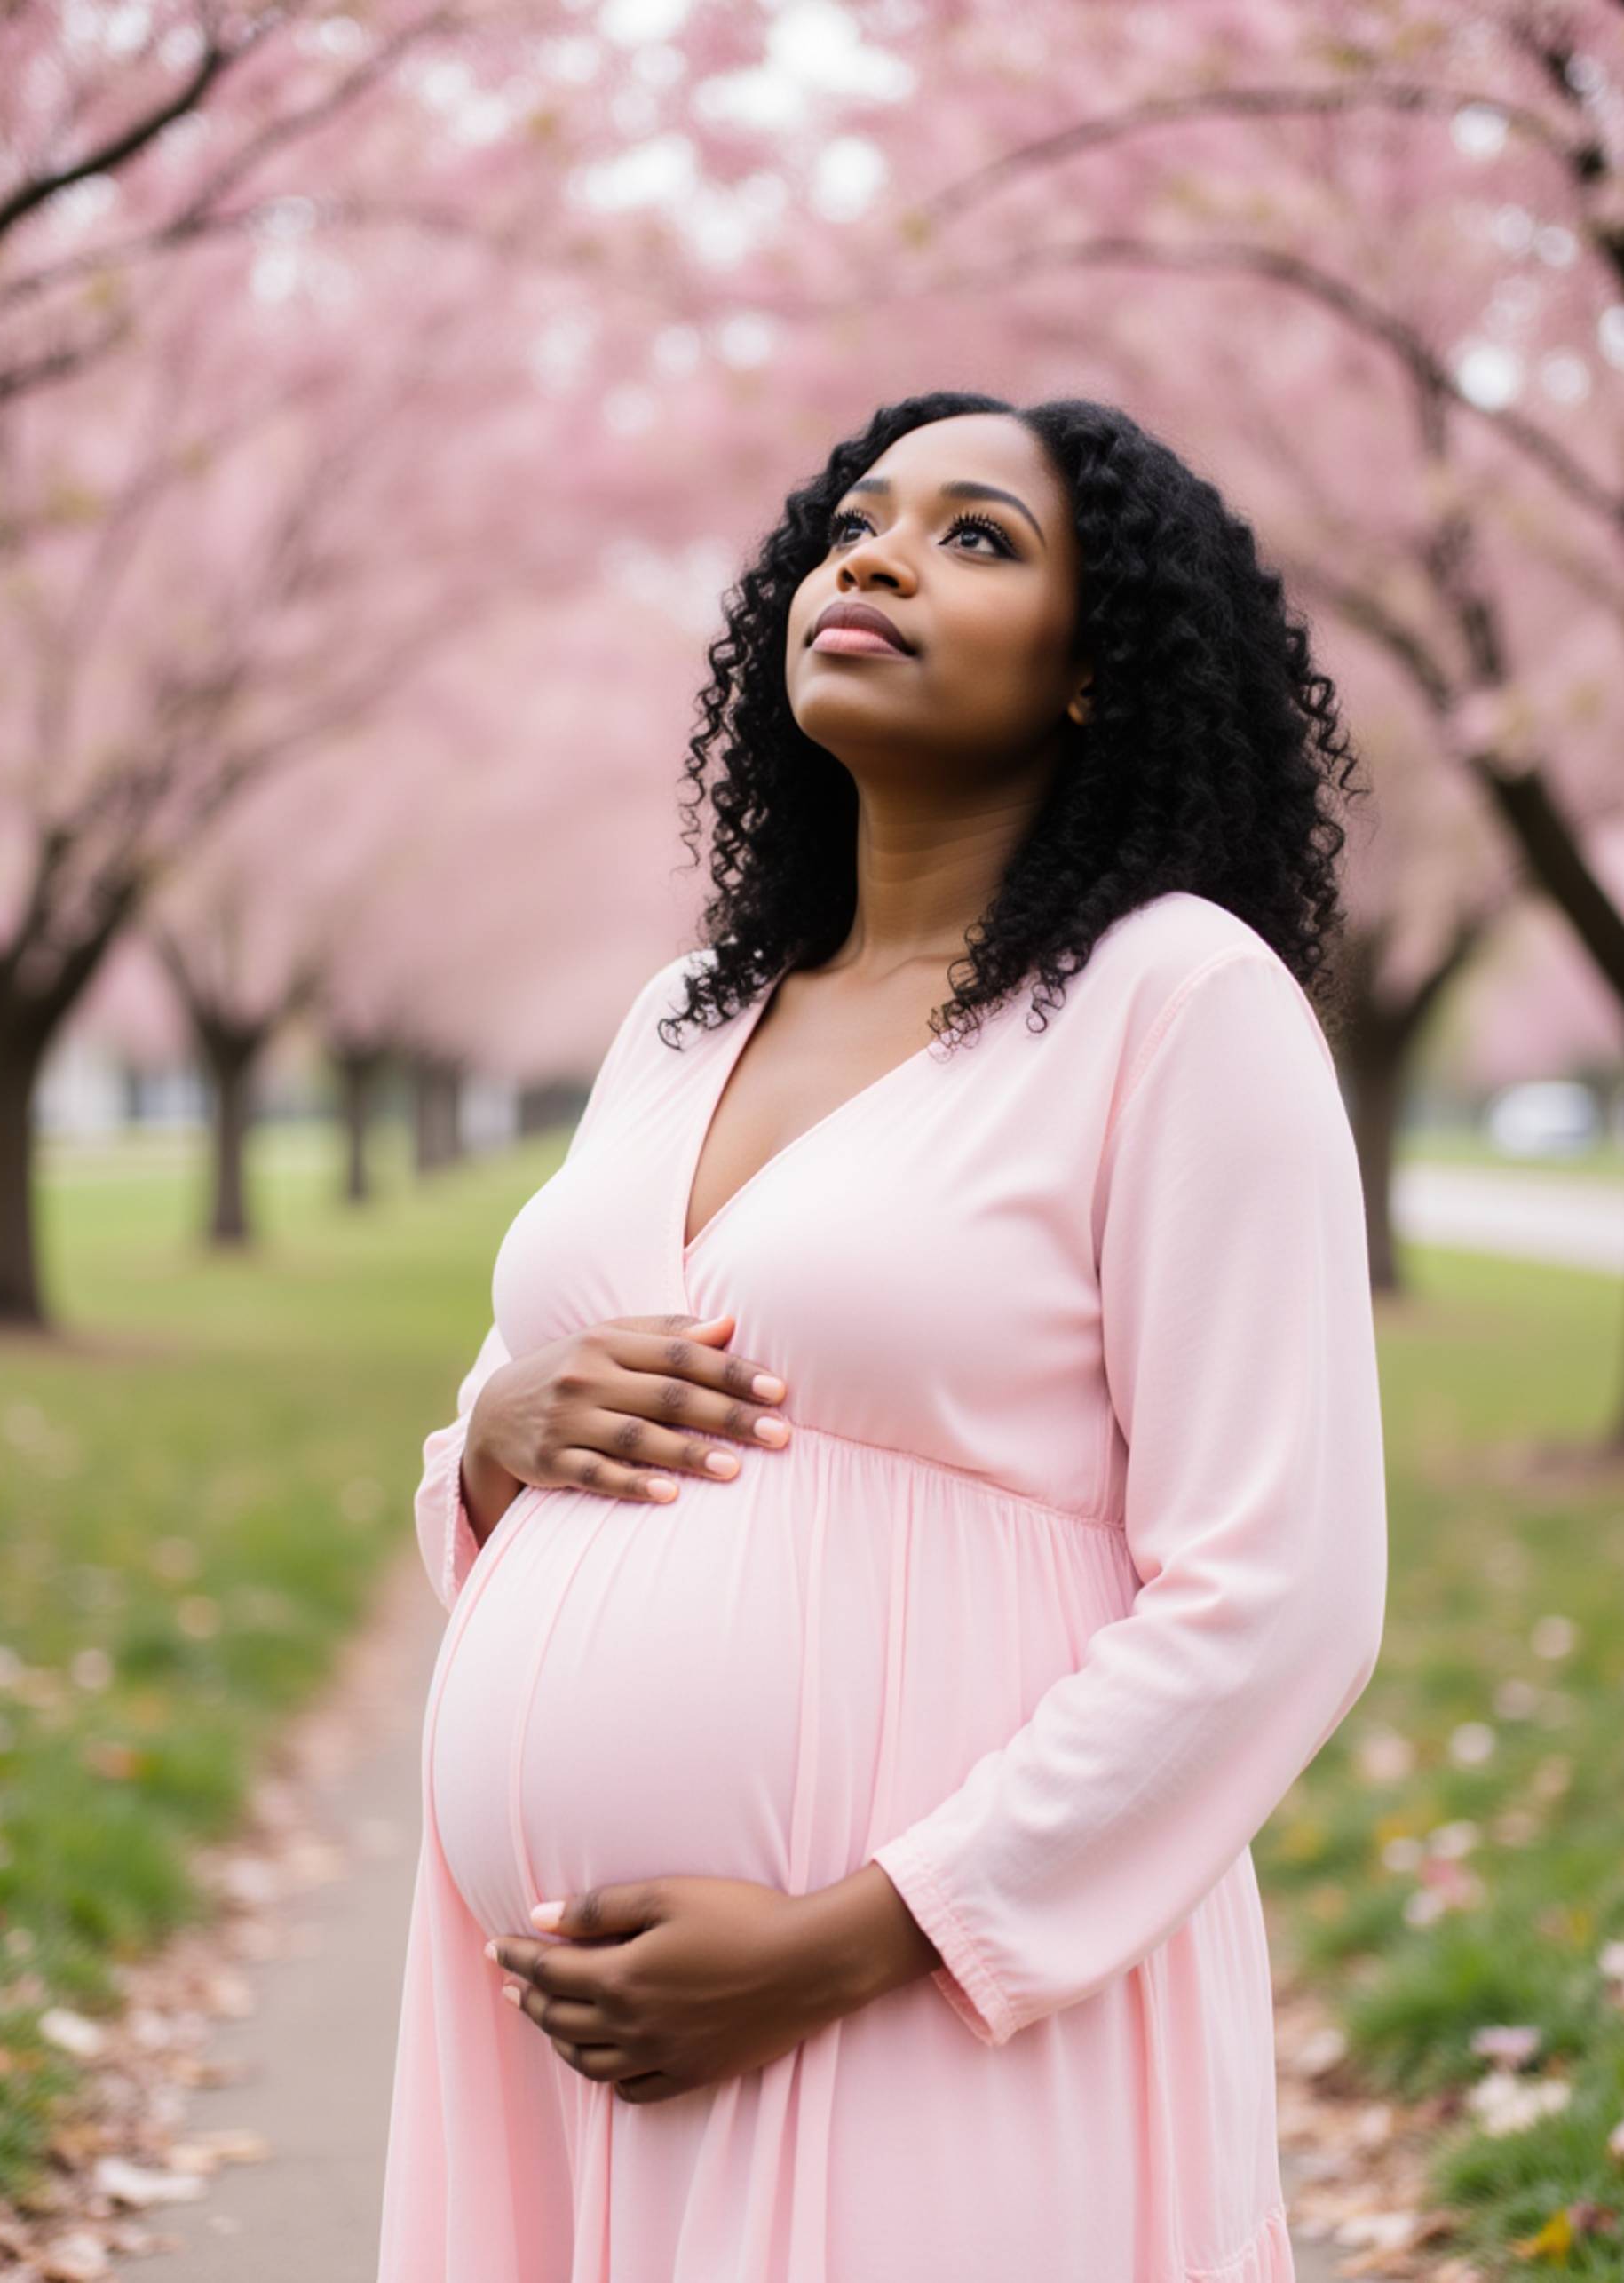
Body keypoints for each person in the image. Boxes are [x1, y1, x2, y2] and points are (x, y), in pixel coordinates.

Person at [376, 390, 1388, 2283]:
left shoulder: (1174, 999)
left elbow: (1281, 1589)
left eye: (976, 535)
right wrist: (497, 1432)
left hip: (922, 1995)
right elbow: (535, 1431)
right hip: (565, 2026)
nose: (879, 555)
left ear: (1097, 670)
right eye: (856, 520)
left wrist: (854, 1932)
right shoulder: (686, 1009)